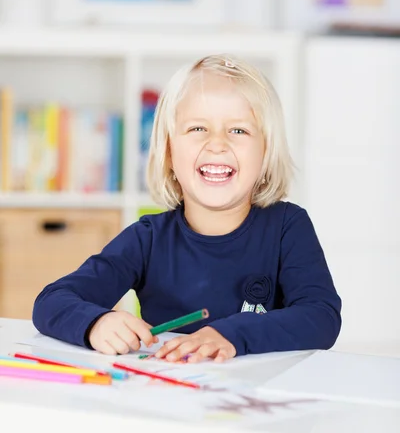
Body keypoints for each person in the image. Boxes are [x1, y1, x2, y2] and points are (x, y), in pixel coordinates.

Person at [33, 54, 341, 363]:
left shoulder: (288, 227)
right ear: (168, 152)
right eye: (197, 129)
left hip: (260, 398)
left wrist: (232, 334)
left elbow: (321, 316)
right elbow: (51, 302)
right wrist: (95, 323)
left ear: (266, 153)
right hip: (170, 391)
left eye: (238, 131)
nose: (217, 144)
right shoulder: (147, 239)